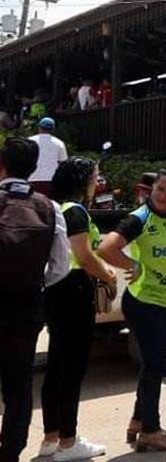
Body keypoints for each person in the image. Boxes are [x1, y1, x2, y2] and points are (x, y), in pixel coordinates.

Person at [98, 170, 166, 452]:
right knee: (155, 366)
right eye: (159, 189)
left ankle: (139, 421)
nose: (163, 196)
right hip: (144, 303)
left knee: (152, 364)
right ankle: (150, 430)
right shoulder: (140, 218)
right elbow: (106, 247)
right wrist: (131, 265)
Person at [39, 158, 115, 461]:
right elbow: (84, 255)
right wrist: (108, 276)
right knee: (72, 369)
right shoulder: (76, 211)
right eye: (95, 177)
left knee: (57, 366)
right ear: (83, 181)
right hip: (75, 289)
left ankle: (51, 437)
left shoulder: (53, 207)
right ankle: (69, 443)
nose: (97, 182)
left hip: (54, 289)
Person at [0, 138, 69, 462]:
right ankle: (11, 452)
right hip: (27, 307)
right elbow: (61, 266)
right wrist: (35, 284)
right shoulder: (49, 207)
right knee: (19, 384)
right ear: (34, 167)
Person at [28, 117, 67, 195]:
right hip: (51, 180)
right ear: (52, 129)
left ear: (39, 127)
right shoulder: (59, 143)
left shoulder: (30, 141)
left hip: (32, 178)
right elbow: (64, 162)